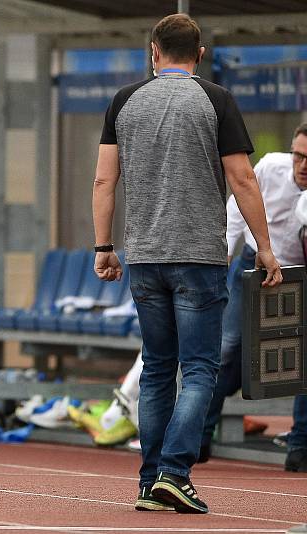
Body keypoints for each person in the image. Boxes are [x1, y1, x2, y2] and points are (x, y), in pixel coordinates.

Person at [92, 13, 282, 514]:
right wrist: (263, 244)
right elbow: (242, 178)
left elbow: (104, 182)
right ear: (200, 54)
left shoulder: (124, 101)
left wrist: (102, 248)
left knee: (156, 369)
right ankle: (175, 474)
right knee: (198, 369)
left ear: (153, 51)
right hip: (198, 256)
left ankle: (149, 481)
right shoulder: (216, 99)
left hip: (145, 258)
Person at [200, 123, 307, 473]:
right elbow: (235, 210)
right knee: (229, 347)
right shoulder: (271, 169)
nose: (302, 165)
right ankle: (197, 438)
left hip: (298, 272)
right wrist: (222, 261)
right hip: (254, 262)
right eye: (299, 156)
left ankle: (300, 446)